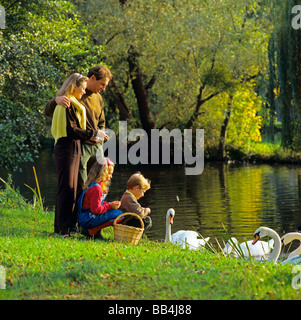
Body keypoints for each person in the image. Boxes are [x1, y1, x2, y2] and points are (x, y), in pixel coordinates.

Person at [51, 73, 109, 236]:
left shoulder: (74, 102)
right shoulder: (66, 103)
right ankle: (62, 228)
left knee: (74, 188)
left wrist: (97, 135)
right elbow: (72, 130)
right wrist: (93, 133)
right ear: (74, 87)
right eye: (82, 89)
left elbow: (77, 129)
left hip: (75, 146)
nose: (83, 92)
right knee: (67, 188)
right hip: (66, 147)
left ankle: (70, 225)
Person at [44, 65, 113, 194]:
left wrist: (100, 139)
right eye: (102, 84)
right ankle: (81, 212)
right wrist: (56, 100)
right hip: (81, 147)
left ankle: (97, 211)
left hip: (97, 146)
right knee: (83, 186)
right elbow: (47, 110)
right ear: (92, 78)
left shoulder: (98, 98)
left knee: (100, 184)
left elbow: (101, 121)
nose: (103, 88)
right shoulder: (75, 93)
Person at [77, 158, 122, 237]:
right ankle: (91, 231)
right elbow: (96, 210)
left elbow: (94, 204)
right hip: (88, 219)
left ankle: (96, 232)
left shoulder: (92, 184)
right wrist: (110, 206)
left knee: (112, 211)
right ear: (103, 173)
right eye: (110, 173)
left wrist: (109, 204)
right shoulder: (97, 189)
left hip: (84, 217)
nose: (111, 176)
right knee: (119, 214)